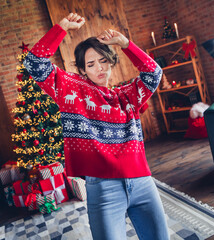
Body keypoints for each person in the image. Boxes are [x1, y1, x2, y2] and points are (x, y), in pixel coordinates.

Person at [23, 13, 169, 240]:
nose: (99, 68)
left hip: (142, 182)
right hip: (103, 189)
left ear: (110, 62)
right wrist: (61, 28)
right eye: (90, 64)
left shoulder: (128, 95)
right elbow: (34, 63)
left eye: (103, 61)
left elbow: (153, 73)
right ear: (82, 70)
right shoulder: (72, 89)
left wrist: (125, 44)